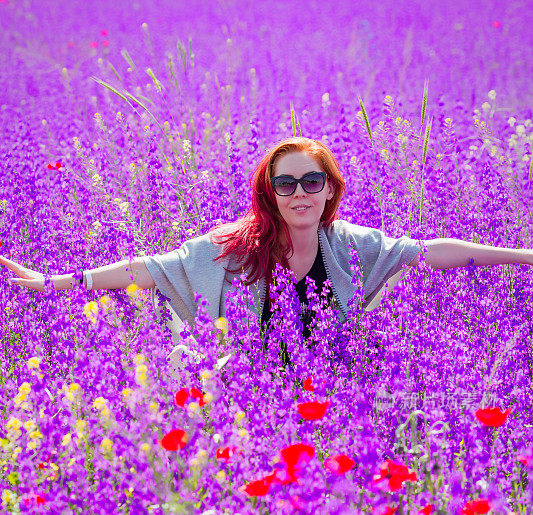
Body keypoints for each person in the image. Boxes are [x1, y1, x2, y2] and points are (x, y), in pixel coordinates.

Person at [2, 137, 532, 355]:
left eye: (311, 182)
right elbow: (149, 271)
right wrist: (55, 283)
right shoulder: (233, 249)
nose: (299, 194)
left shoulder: (348, 246)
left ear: (330, 189)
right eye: (285, 184)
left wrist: (524, 257)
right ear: (269, 193)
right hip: (250, 408)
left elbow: (428, 251)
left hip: (332, 405)